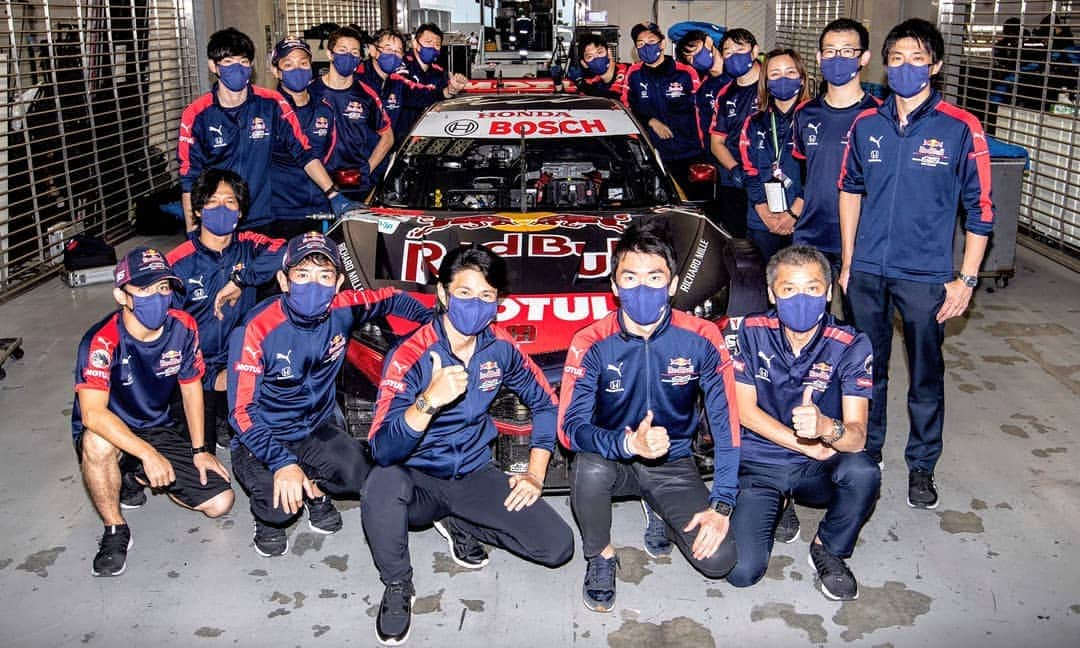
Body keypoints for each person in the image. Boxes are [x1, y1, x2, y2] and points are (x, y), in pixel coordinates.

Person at [363, 244, 574, 645]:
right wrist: (428, 402)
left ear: (497, 303)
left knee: (557, 547)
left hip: (474, 473)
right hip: (417, 476)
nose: (474, 305)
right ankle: (397, 585)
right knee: (380, 485)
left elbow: (546, 405)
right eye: (464, 293)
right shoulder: (409, 354)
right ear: (443, 294)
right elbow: (382, 449)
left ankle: (461, 520)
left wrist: (534, 473)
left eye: (486, 296)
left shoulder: (500, 348)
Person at [839, 18, 994, 507]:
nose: (906, 67)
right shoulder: (866, 124)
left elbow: (981, 209)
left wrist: (965, 278)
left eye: (918, 59)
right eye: (898, 59)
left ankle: (922, 466)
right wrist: (847, 263)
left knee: (926, 375)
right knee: (867, 369)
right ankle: (869, 448)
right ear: (886, 66)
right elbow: (850, 190)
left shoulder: (961, 128)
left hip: (927, 276)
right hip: (867, 271)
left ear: (937, 66)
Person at [558, 221, 739, 612]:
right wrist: (628, 442)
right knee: (587, 468)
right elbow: (569, 431)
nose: (643, 289)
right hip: (611, 459)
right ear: (614, 286)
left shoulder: (703, 336)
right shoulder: (590, 340)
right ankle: (601, 555)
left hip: (673, 464)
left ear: (673, 284)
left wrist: (722, 503)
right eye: (631, 277)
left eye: (655, 277)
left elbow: (727, 426)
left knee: (720, 560)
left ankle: (660, 507)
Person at [227, 231, 431, 557]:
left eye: (324, 276)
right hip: (263, 436)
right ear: (283, 280)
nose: (314, 285)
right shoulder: (255, 329)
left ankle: (315, 487)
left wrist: (439, 321)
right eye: (302, 275)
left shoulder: (344, 307)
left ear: (337, 284)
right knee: (279, 508)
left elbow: (394, 298)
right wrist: (282, 463)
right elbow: (241, 413)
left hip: (316, 428)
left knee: (360, 477)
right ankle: (266, 517)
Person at [725, 245, 879, 600]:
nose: (801, 299)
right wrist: (804, 442)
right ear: (771, 294)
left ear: (827, 292)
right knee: (741, 573)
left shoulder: (851, 343)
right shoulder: (749, 331)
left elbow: (856, 438)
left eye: (812, 288)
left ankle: (829, 547)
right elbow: (745, 412)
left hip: (817, 469)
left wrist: (826, 427)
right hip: (759, 464)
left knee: (863, 472)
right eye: (788, 289)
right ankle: (779, 504)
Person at [73, 246, 234, 577]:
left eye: (163, 288)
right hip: (111, 427)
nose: (157, 297)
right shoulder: (101, 341)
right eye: (145, 288)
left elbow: (191, 387)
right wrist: (147, 453)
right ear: (122, 295)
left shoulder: (183, 326)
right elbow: (93, 415)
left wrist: (200, 449)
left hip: (156, 424)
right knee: (96, 444)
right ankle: (115, 529)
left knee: (221, 503)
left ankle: (136, 474)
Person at [177, 27, 347, 232]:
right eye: (228, 62)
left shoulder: (271, 103)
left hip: (262, 216)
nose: (237, 69)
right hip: (217, 218)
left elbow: (303, 152)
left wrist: (333, 195)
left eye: (243, 62)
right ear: (213, 66)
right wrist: (192, 233)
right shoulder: (196, 114)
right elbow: (189, 178)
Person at [166, 169, 286, 451]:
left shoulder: (250, 246)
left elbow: (289, 250)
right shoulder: (176, 263)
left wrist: (242, 279)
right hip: (193, 369)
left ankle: (226, 413)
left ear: (242, 211)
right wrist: (207, 376)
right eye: (212, 201)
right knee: (192, 461)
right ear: (197, 210)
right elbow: (165, 334)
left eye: (231, 202)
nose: (222, 208)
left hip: (238, 359)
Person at [791, 19, 880, 322]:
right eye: (830, 51)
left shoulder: (879, 116)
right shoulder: (805, 113)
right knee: (807, 324)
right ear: (818, 58)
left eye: (847, 51)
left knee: (862, 329)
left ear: (864, 58)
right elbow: (803, 172)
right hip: (812, 235)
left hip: (863, 240)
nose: (837, 59)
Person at [739, 48, 811, 263]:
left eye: (790, 73)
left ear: (801, 79)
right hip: (762, 219)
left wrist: (794, 213)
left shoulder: (814, 119)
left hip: (803, 220)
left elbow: (819, 173)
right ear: (766, 81)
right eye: (775, 74)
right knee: (761, 286)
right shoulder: (754, 122)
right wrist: (762, 208)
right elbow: (748, 170)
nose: (783, 79)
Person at [267, 36, 341, 241]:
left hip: (320, 208)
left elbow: (330, 154)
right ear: (276, 71)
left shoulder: (325, 109)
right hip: (281, 212)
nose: (297, 69)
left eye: (303, 63)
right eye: (288, 64)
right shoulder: (267, 110)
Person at [308, 26, 394, 198]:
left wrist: (368, 168)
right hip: (318, 184)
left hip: (356, 184)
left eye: (354, 52)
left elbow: (388, 136)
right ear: (330, 54)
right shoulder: (311, 92)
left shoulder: (366, 94)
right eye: (342, 50)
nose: (349, 56)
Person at [622, 22, 704, 200]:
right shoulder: (633, 74)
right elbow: (625, 108)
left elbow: (701, 110)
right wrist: (650, 121)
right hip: (651, 155)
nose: (646, 47)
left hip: (688, 152)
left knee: (691, 205)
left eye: (651, 41)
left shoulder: (686, 72)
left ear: (662, 43)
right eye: (640, 43)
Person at [358, 29, 467, 159]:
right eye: (388, 49)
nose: (393, 55)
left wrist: (449, 90)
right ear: (372, 50)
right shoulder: (357, 80)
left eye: (398, 51)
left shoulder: (397, 82)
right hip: (356, 158)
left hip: (390, 154)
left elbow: (421, 94)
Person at [708, 28, 763, 238]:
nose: (734, 55)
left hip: (770, 179)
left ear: (754, 51)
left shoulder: (773, 85)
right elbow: (717, 142)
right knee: (738, 242)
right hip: (735, 180)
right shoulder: (724, 93)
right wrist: (735, 169)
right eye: (728, 52)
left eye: (740, 49)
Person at [676, 29, 734, 217]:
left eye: (696, 50)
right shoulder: (703, 89)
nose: (695, 58)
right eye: (690, 58)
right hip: (720, 164)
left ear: (709, 42)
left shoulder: (738, 75)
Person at [563, 33, 629, 99]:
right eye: (590, 56)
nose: (596, 58)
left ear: (609, 53)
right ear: (584, 64)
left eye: (600, 52)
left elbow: (612, 100)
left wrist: (580, 83)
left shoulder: (629, 71)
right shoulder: (592, 82)